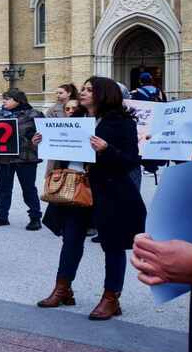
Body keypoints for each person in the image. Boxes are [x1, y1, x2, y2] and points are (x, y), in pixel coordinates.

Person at [35, 77, 146, 320]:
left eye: (89, 90)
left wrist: (107, 149)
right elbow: (63, 150)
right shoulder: (76, 118)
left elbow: (130, 161)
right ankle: (62, 289)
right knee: (71, 239)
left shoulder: (122, 122)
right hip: (76, 189)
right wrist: (43, 143)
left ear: (104, 94)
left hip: (109, 191)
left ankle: (111, 298)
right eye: (83, 89)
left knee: (113, 245)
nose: (83, 92)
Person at [0, 89, 44, 231]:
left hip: (26, 157)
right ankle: (1, 216)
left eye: (7, 99)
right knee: (4, 189)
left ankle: (35, 217)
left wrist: (35, 139)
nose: (4, 101)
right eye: (4, 98)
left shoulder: (33, 115)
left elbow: (44, 134)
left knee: (29, 189)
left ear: (18, 100)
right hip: (4, 158)